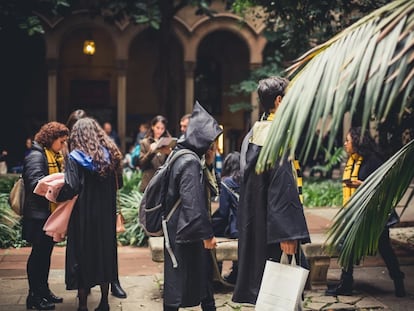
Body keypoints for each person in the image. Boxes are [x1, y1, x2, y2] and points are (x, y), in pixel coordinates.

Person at [232, 76, 310, 305]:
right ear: (278, 101)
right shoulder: (274, 136)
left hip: (261, 226)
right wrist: (287, 233)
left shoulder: (256, 132)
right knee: (279, 296)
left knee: (269, 294)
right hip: (276, 231)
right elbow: (280, 188)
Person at [325, 126, 406, 297]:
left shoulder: (373, 161)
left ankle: (398, 280)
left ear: (357, 141)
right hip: (356, 214)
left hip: (374, 216)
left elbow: (383, 186)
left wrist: (362, 186)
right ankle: (346, 283)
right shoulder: (354, 160)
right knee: (349, 244)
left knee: (384, 248)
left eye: (348, 140)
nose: (345, 144)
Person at [56, 117, 124, 311]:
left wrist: (55, 194)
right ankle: (104, 303)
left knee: (83, 256)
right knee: (104, 255)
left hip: (82, 218)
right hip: (105, 218)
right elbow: (118, 185)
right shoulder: (109, 156)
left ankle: (83, 305)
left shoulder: (74, 157)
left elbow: (71, 186)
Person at [162, 101, 222, 311]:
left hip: (184, 228)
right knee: (178, 284)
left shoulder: (182, 155)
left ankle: (208, 305)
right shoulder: (189, 161)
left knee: (200, 277)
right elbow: (192, 202)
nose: (214, 146)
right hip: (184, 231)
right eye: (212, 142)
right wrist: (207, 235)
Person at [22, 121, 69, 310]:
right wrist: (59, 184)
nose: (63, 145)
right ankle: (34, 296)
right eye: (61, 141)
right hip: (38, 215)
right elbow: (34, 183)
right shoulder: (36, 156)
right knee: (37, 257)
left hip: (47, 214)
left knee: (45, 255)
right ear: (51, 139)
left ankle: (44, 291)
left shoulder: (53, 155)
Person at [211, 151, 241, 284]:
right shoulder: (250, 180)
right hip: (249, 228)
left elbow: (223, 212)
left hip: (235, 229)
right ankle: (237, 273)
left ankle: (216, 273)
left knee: (214, 235)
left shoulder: (226, 183)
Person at [136, 115, 172, 192]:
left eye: (162, 128)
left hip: (163, 181)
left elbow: (171, 164)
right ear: (152, 127)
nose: (160, 131)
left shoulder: (167, 142)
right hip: (149, 181)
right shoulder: (145, 142)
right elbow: (142, 163)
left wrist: (170, 153)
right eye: (157, 128)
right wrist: (151, 152)